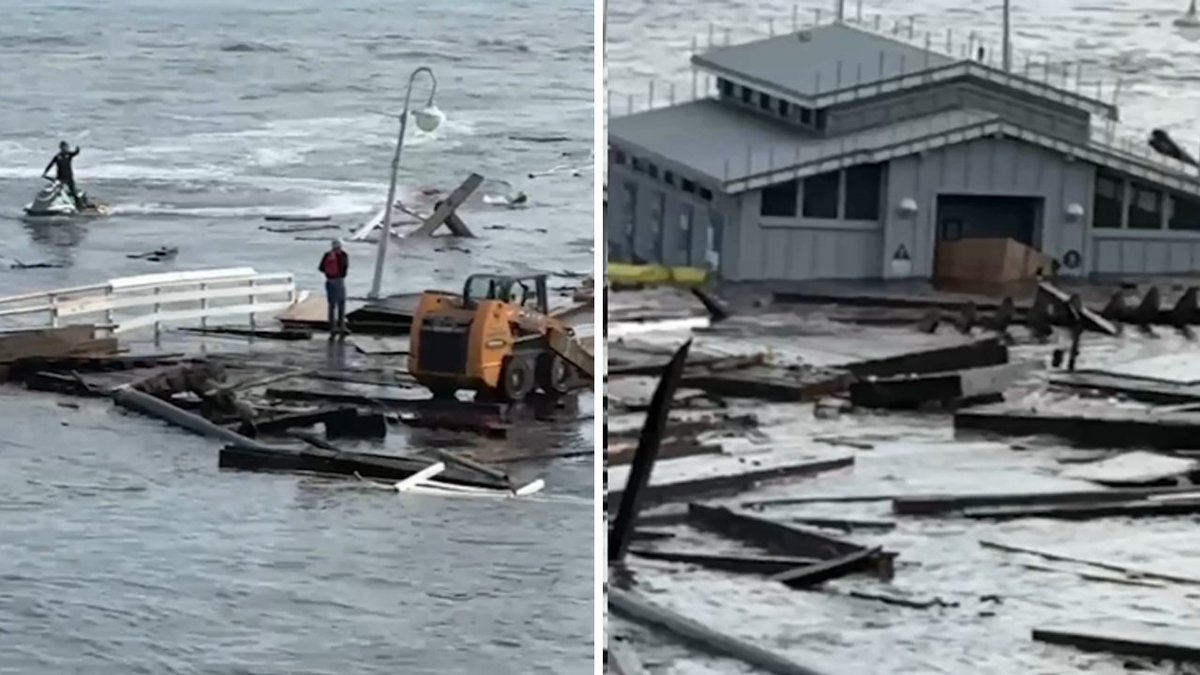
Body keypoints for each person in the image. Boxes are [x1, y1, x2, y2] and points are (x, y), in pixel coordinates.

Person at [318, 238, 349, 336]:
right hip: (339, 280)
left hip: (330, 280)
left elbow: (321, 268)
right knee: (342, 303)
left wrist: (329, 273)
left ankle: (332, 327)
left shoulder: (327, 255)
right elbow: (345, 268)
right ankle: (342, 327)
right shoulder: (344, 255)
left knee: (332, 305)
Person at [42, 141, 82, 209]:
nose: (66, 148)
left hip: (69, 176)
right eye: (64, 147)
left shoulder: (69, 154)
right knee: (57, 192)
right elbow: (51, 164)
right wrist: (45, 172)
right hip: (60, 177)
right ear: (61, 148)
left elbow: (75, 153)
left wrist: (78, 149)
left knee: (73, 191)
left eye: (66, 147)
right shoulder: (57, 156)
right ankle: (53, 204)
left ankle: (79, 206)